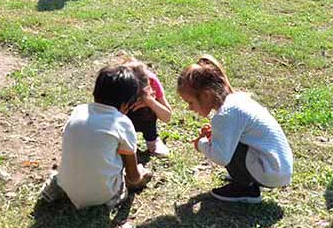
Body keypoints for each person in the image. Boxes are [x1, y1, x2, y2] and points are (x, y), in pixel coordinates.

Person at [178, 55, 293, 203]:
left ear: (206, 95)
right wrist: (216, 135)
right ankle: (246, 177)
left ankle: (246, 188)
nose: (190, 108)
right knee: (228, 142)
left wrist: (201, 144)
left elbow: (221, 157)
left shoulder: (225, 114)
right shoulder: (237, 101)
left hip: (271, 172)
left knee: (226, 148)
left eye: (190, 102)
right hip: (278, 168)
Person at [39, 64, 154, 209]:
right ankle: (112, 195)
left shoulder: (78, 111)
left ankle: (57, 184)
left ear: (95, 92)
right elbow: (133, 177)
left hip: (68, 187)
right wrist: (140, 174)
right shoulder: (122, 123)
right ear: (126, 104)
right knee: (135, 174)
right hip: (104, 196)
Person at [123, 59, 172, 156]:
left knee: (148, 109)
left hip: (146, 119)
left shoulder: (152, 81)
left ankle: (152, 140)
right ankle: (123, 140)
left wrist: (149, 101)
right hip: (121, 117)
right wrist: (128, 106)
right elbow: (109, 115)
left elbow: (167, 117)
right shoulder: (118, 82)